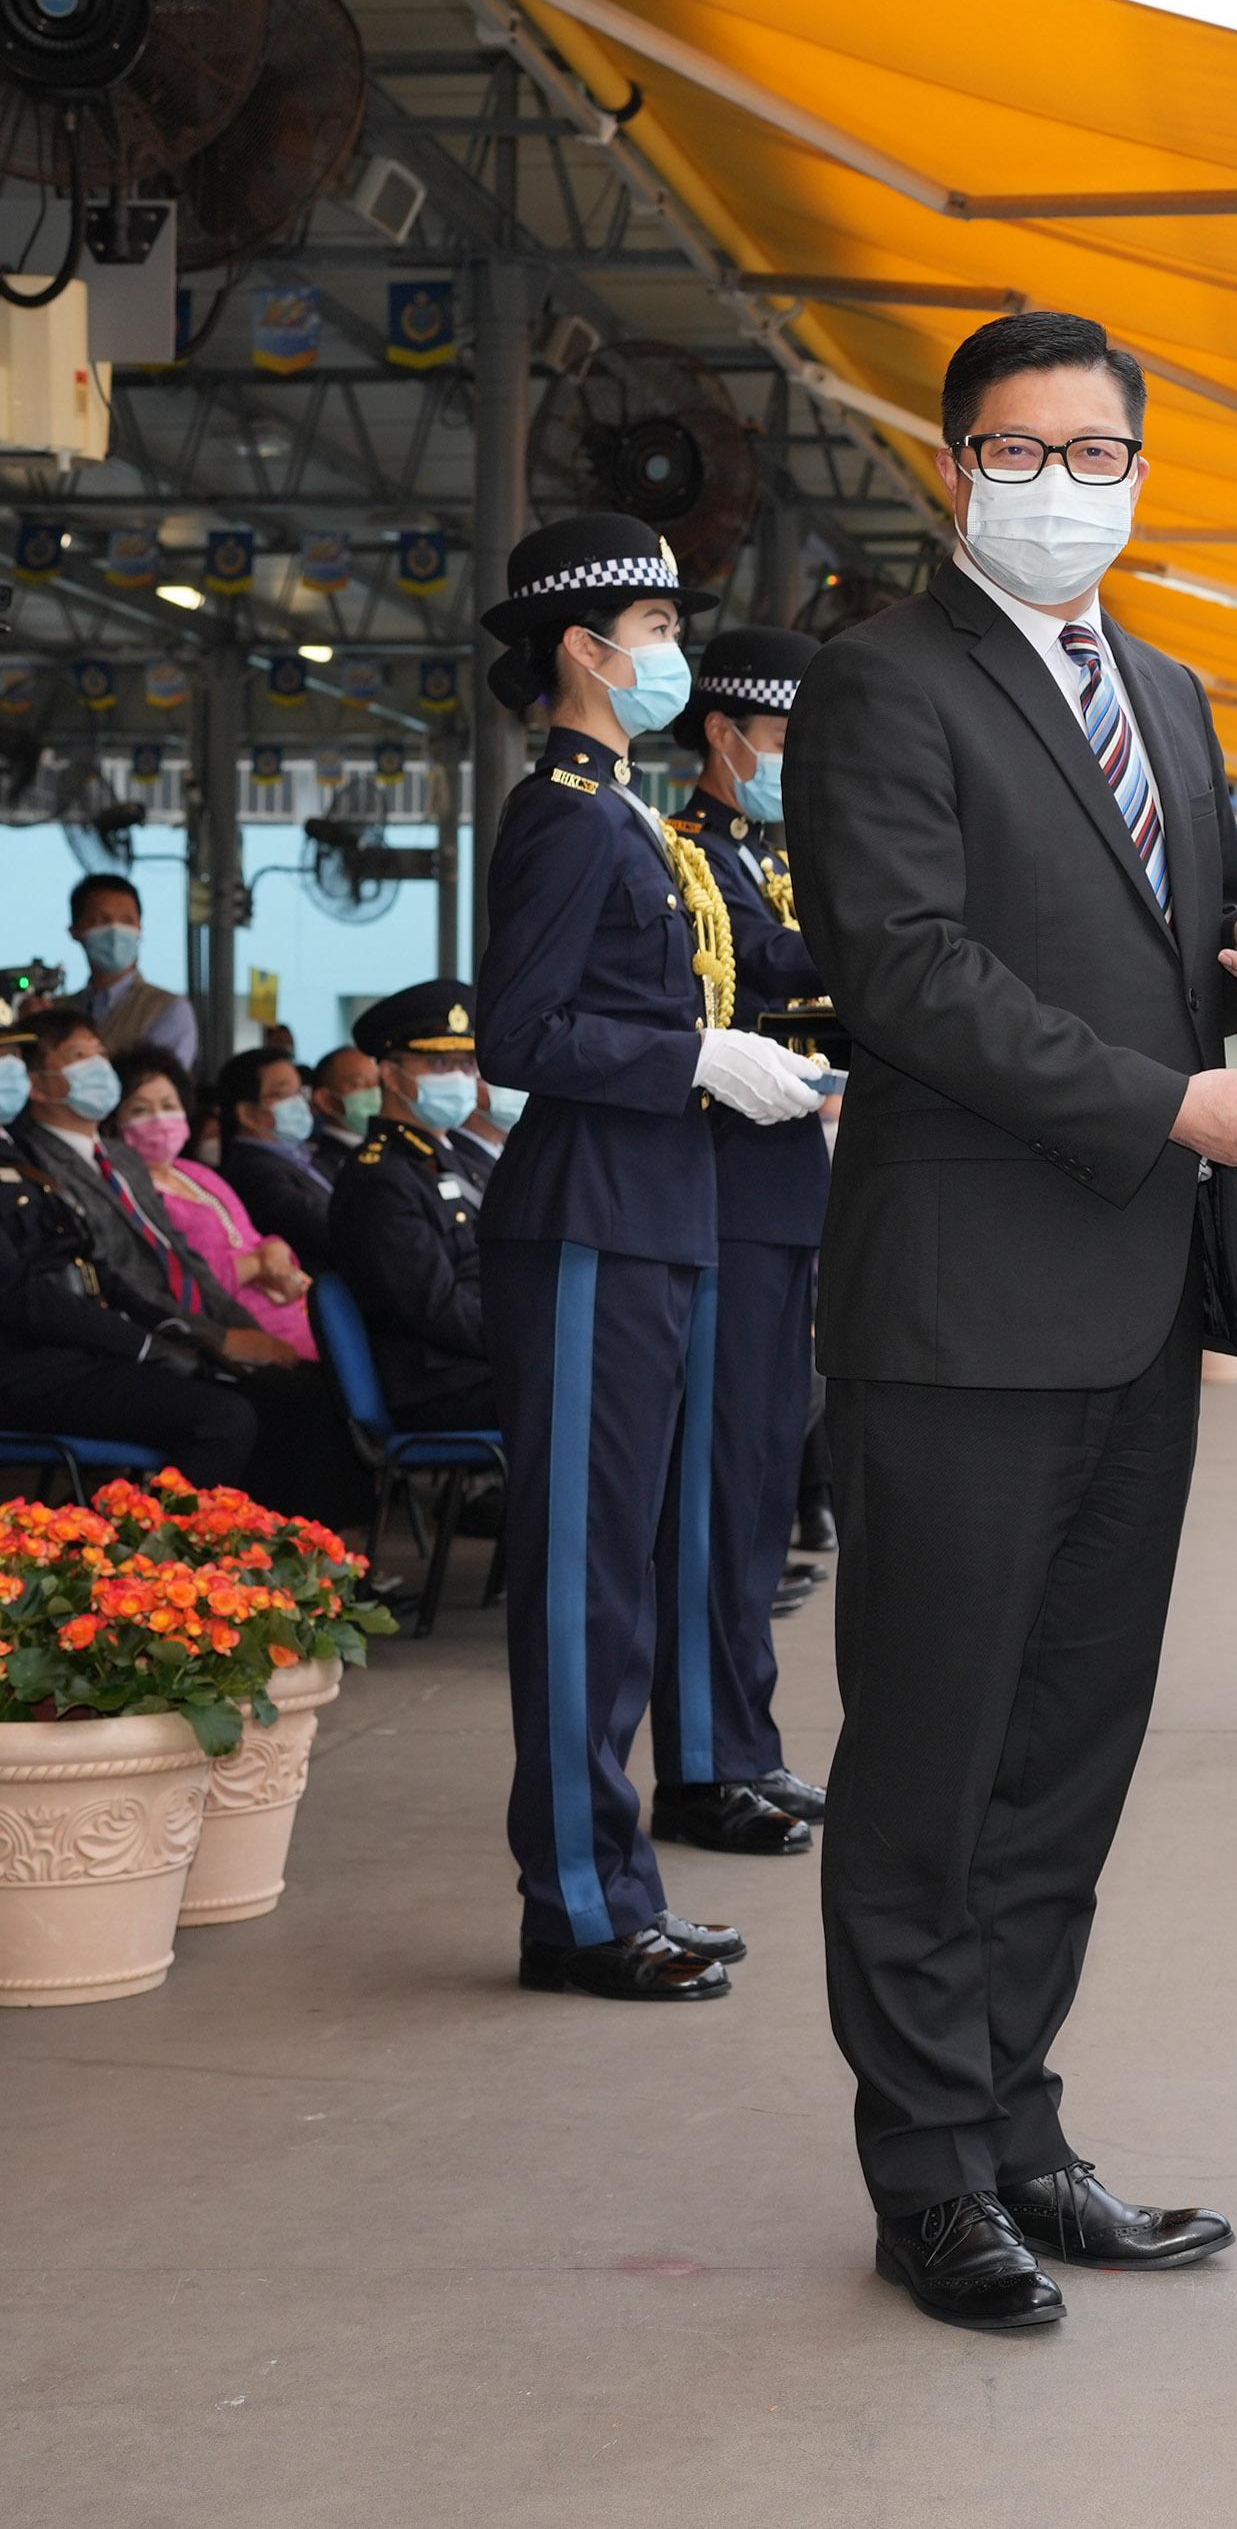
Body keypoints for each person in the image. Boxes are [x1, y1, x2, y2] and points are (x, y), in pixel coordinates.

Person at [791, 309, 1237, 2334]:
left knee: (1070, 1755)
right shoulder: (879, 684)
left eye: (1097, 454)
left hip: (1132, 1308)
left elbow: (1186, 964)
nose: (1060, 484)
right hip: (955, 1311)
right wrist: (1164, 1097)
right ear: (953, 466)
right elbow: (900, 967)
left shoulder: (1168, 693)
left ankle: (1013, 2121)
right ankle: (923, 2169)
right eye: (1022, 451)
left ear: (1138, 472)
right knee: (932, 1751)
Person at [473, 511, 828, 2010]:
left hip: (661, 1213)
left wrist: (724, 1062)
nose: (675, 653)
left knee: (622, 1571)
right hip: (590, 1217)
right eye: (663, 628)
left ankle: (617, 1882)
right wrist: (693, 1055)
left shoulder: (618, 812)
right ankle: (576, 1902)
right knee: (580, 1577)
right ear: (585, 646)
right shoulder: (564, 813)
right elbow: (519, 1035)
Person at [651, 625, 837, 1852]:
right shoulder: (686, 853)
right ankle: (702, 1764)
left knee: (761, 1490)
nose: (798, 767)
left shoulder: (771, 853)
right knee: (713, 1495)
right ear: (725, 736)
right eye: (785, 743)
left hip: (778, 1201)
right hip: (717, 1196)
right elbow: (767, 969)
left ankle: (747, 1741)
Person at [12, 1009, 360, 1519]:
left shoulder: (120, 1158)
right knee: (246, 1412)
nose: (97, 1067)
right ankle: (151, 1559)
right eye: (79, 1057)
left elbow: (182, 1261)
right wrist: (213, 1341)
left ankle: (287, 1562)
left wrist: (243, 1332)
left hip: (176, 1325)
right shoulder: (34, 1162)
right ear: (38, 1086)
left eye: (99, 1053)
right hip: (111, 1339)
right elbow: (116, 1273)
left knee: (309, 1393)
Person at [0, 1034, 264, 1483]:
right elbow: (23, 1294)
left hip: (70, 1349)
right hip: (28, 1366)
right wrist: (138, 1347)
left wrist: (170, 1334)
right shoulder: (26, 1150)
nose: (11, 1068)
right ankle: (132, 1546)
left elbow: (89, 1265)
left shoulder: (12, 1154)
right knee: (221, 1420)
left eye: (10, 1056)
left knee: (246, 1393)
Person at [324, 984, 494, 1428]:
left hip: (482, 1363)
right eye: (440, 1063)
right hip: (442, 1381)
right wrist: (530, 1341)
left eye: (466, 1063)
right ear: (391, 1075)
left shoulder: (452, 1157)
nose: (459, 1077)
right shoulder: (379, 1177)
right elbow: (438, 1307)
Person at [107, 1046, 313, 1356]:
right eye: (140, 1110)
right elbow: (174, 1285)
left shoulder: (196, 1173)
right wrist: (256, 1264)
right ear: (114, 1122)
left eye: (168, 1105)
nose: (160, 1119)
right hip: (235, 1336)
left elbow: (252, 1237)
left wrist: (274, 1250)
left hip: (292, 1313)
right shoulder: (127, 1190)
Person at [54, 872, 198, 1068]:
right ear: (75, 931)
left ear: (140, 928)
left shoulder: (167, 1009)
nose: (115, 929)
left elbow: (155, 1087)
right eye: (101, 920)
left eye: (127, 920)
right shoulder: (57, 1010)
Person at [215, 1045, 335, 1265]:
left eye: (300, 1092)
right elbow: (325, 1229)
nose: (299, 1103)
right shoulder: (252, 1172)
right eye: (283, 1095)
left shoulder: (305, 1156)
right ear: (248, 1114)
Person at [303, 1043, 378, 1184]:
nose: (375, 1092)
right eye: (359, 1083)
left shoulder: (381, 1148)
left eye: (378, 1083)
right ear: (325, 1101)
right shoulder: (323, 1165)